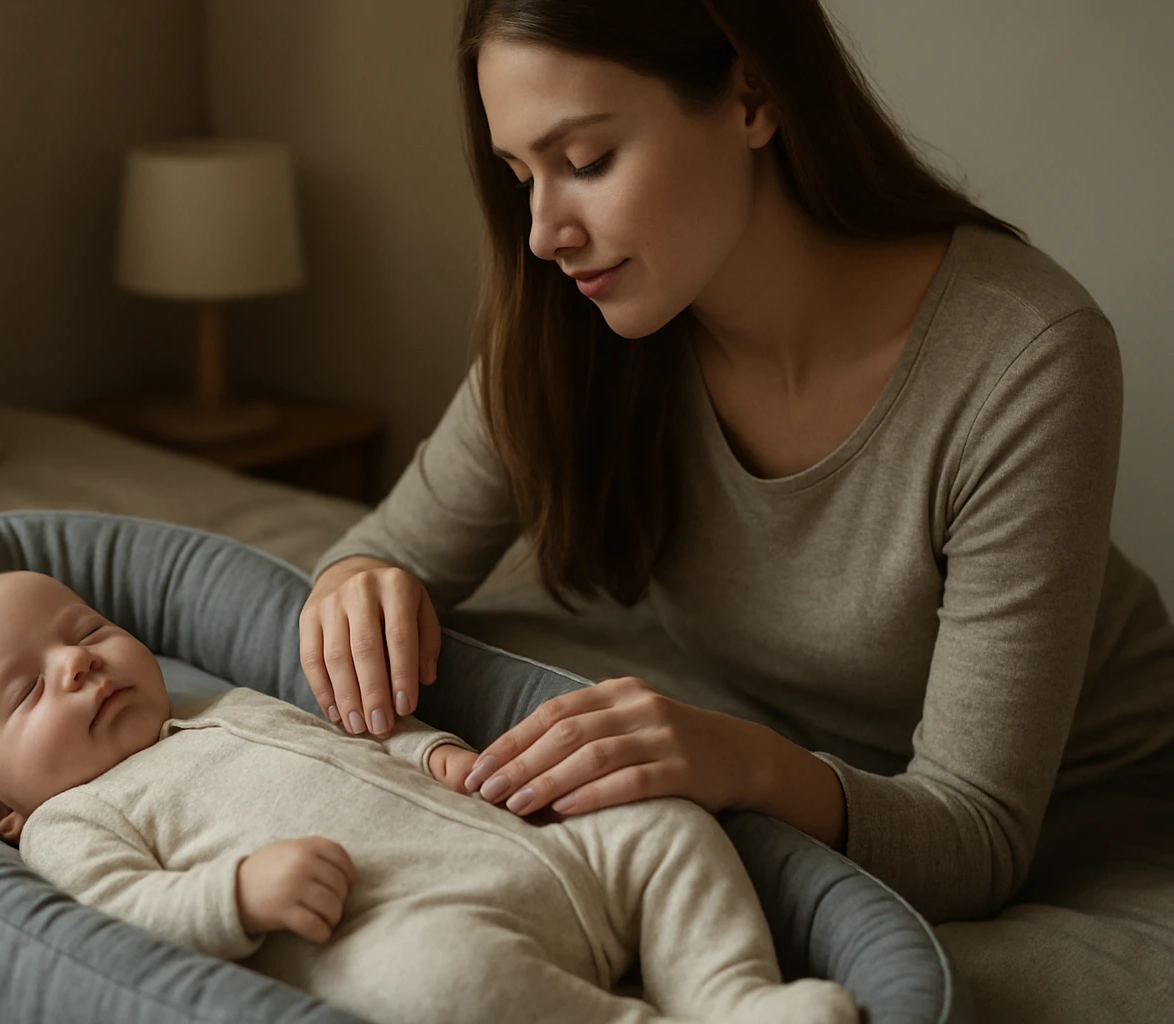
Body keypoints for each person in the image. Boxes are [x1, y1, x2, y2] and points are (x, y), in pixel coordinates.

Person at [298, 2, 1174, 1022]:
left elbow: (976, 834)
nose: (543, 232)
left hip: (1086, 808)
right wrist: (355, 591)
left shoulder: (1026, 357)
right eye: (519, 175)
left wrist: (742, 760)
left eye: (584, 159)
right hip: (800, 737)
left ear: (753, 96)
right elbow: (384, 552)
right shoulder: (577, 326)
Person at [0, 570, 857, 1024]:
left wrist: (432, 752)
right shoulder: (67, 821)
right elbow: (124, 913)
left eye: (86, 630)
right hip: (412, 924)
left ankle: (728, 996)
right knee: (443, 987)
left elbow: (356, 732)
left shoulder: (214, 699)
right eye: (25, 689)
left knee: (662, 822)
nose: (76, 666)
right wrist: (238, 892)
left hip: (528, 849)